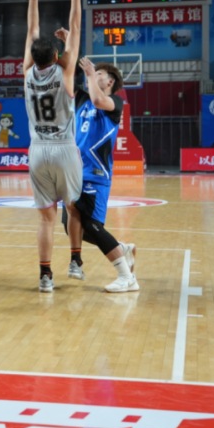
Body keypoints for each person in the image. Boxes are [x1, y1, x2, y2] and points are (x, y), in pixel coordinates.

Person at [23, 0, 84, 293]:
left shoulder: (26, 72)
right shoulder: (65, 71)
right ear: (58, 56)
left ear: (32, 58)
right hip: (64, 148)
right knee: (74, 209)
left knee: (45, 219)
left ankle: (45, 276)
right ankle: (75, 261)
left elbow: (32, 30)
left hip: (37, 151)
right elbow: (76, 28)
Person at [65, 58, 138, 293]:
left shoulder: (115, 102)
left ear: (110, 81)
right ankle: (120, 248)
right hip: (75, 172)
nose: (93, 75)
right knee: (71, 226)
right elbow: (67, 75)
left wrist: (89, 74)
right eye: (92, 73)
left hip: (96, 174)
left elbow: (98, 99)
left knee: (93, 225)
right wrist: (68, 48)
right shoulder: (82, 99)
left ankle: (127, 278)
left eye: (99, 74)